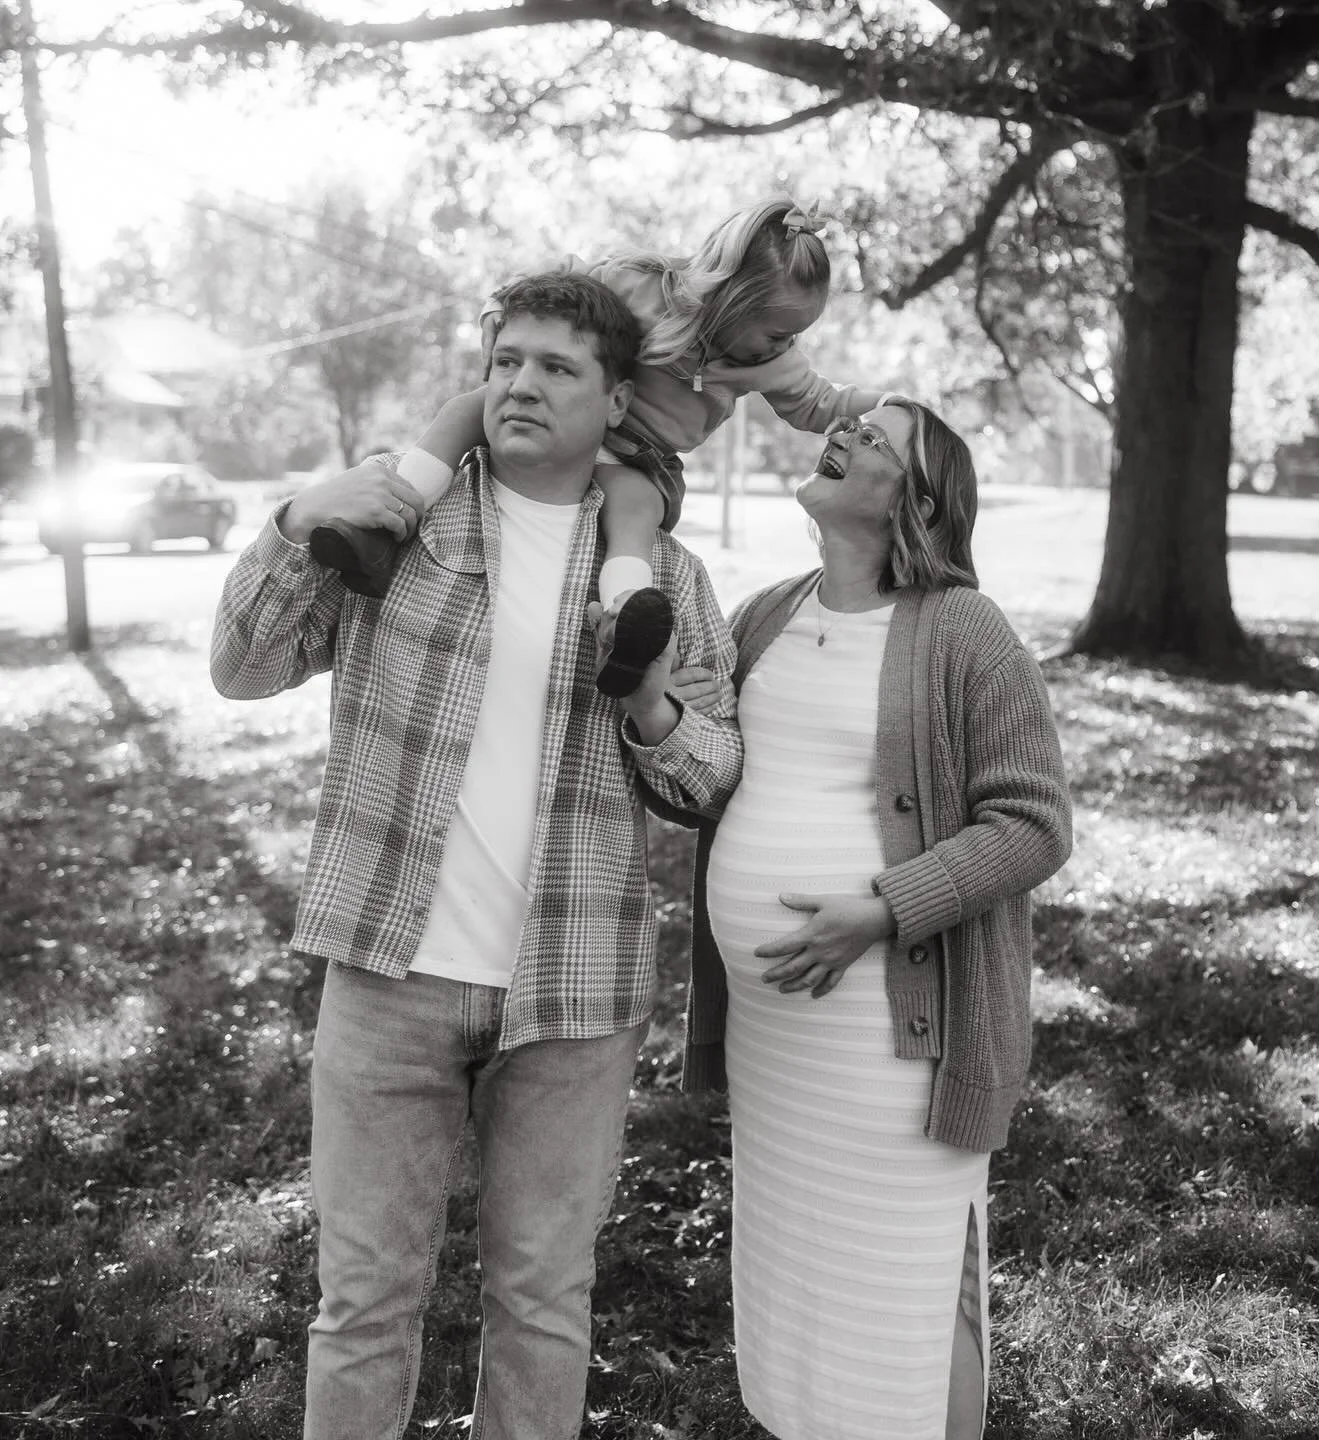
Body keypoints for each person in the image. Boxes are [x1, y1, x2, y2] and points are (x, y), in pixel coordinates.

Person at [210, 271, 743, 1440]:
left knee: (543, 1300)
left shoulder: (670, 583)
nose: (521, 385)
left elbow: (707, 781)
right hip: (387, 974)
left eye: (557, 367)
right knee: (360, 1306)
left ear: (615, 404)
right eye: (506, 360)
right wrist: (299, 519)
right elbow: (243, 669)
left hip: (574, 995)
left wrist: (652, 707)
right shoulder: (394, 529)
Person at [671, 400, 1072, 1440]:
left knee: (910, 1269)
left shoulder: (963, 631)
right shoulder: (764, 614)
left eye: (875, 438)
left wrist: (880, 913)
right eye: (845, 422)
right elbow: (704, 770)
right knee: (800, 1270)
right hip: (778, 1040)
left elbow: (1032, 826)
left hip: (896, 1038)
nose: (842, 432)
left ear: (917, 499)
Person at [308, 196, 890, 697]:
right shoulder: (641, 285)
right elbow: (558, 280)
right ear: (731, 297)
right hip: (575, 426)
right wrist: (500, 314)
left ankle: (623, 627)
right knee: (463, 410)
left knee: (632, 508)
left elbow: (820, 403)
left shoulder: (774, 363)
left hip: (642, 461)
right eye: (778, 330)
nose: (787, 345)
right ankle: (381, 529)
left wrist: (886, 406)